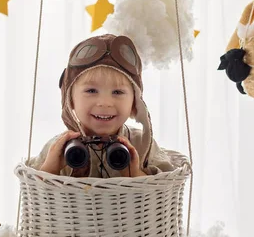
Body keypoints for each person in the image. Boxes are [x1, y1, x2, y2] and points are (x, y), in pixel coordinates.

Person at [26, 34, 180, 177]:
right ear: (70, 99)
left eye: (118, 92)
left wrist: (135, 173)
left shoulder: (143, 143)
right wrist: (50, 168)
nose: (105, 103)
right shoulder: (58, 147)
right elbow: (35, 193)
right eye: (91, 90)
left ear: (135, 102)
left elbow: (165, 187)